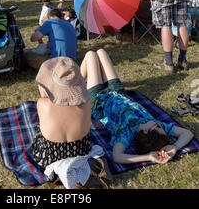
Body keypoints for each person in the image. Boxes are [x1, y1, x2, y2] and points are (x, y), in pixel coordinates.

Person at [80, 49, 193, 164]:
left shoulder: (126, 134)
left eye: (157, 127)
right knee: (101, 52)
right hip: (118, 92)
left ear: (145, 131)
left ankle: (73, 86)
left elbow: (117, 156)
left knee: (91, 55)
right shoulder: (156, 124)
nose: (160, 124)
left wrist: (148, 157)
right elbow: (187, 133)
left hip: (98, 100)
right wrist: (175, 146)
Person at [32, 57, 112, 189]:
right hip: (81, 149)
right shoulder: (87, 102)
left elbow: (44, 94)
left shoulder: (43, 104)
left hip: (50, 155)